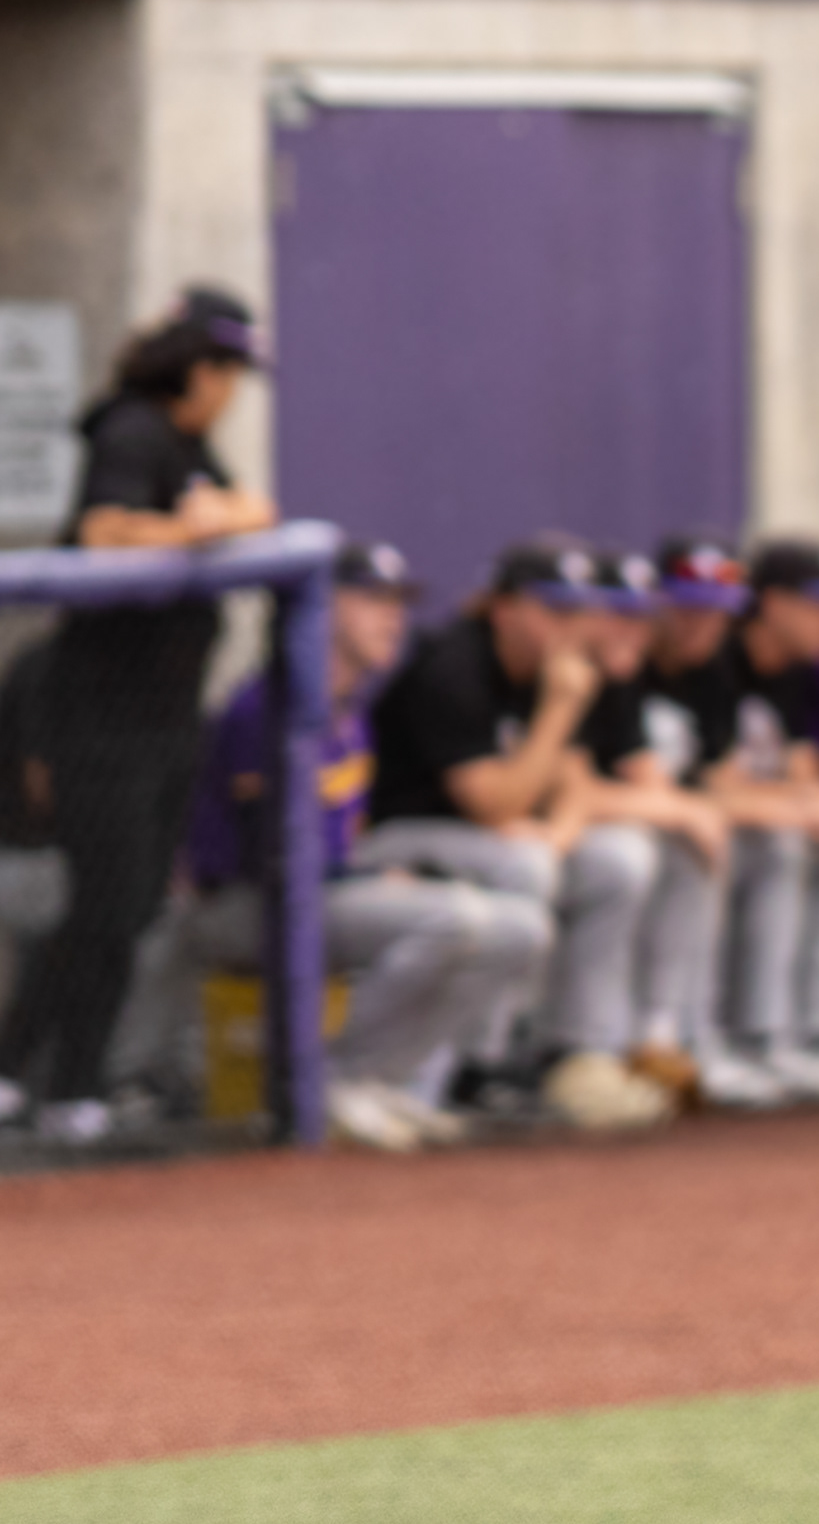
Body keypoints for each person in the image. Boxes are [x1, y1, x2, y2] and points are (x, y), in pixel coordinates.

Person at [0, 287, 275, 1144]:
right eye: (225, 371)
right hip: (102, 718)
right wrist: (189, 533)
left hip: (165, 718)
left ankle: (36, 1074)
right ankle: (52, 1081)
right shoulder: (129, 429)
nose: (230, 391)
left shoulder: (189, 446)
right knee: (108, 906)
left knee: (135, 905)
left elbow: (255, 510)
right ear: (197, 368)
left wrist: (215, 517)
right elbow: (104, 532)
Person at [172, 540, 548, 1155]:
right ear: (321, 608)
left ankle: (380, 1078)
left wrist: (374, 873)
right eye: (373, 600)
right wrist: (362, 879)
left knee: (520, 928)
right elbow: (265, 855)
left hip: (322, 892)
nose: (393, 618)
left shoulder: (351, 709)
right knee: (454, 919)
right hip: (239, 908)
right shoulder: (264, 708)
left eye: (398, 602)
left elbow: (336, 844)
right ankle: (328, 1083)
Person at [355, 539, 674, 1135]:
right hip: (397, 841)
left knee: (617, 859)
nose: (570, 625)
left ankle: (576, 1054)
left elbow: (576, 784)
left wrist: (557, 836)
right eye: (554, 608)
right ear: (504, 609)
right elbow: (491, 803)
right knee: (523, 864)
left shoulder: (558, 667)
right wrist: (558, 710)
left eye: (578, 610)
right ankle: (481, 1063)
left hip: (493, 841)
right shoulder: (456, 666)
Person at [651, 536, 819, 1104]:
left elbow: (793, 774)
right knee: (758, 844)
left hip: (699, 818)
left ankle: (800, 1033)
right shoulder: (719, 662)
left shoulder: (793, 670)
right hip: (669, 827)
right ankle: (703, 1036)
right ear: (774, 604)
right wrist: (802, 809)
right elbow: (714, 786)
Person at [577, 548, 758, 1113]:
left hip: (582, 833)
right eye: (619, 617)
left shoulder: (658, 675)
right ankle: (592, 1047)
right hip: (513, 840)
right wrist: (684, 811)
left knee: (687, 843)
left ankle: (669, 1034)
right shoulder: (576, 675)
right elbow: (571, 793)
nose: (631, 632)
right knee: (632, 855)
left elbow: (664, 781)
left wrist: (689, 811)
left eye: (639, 618)